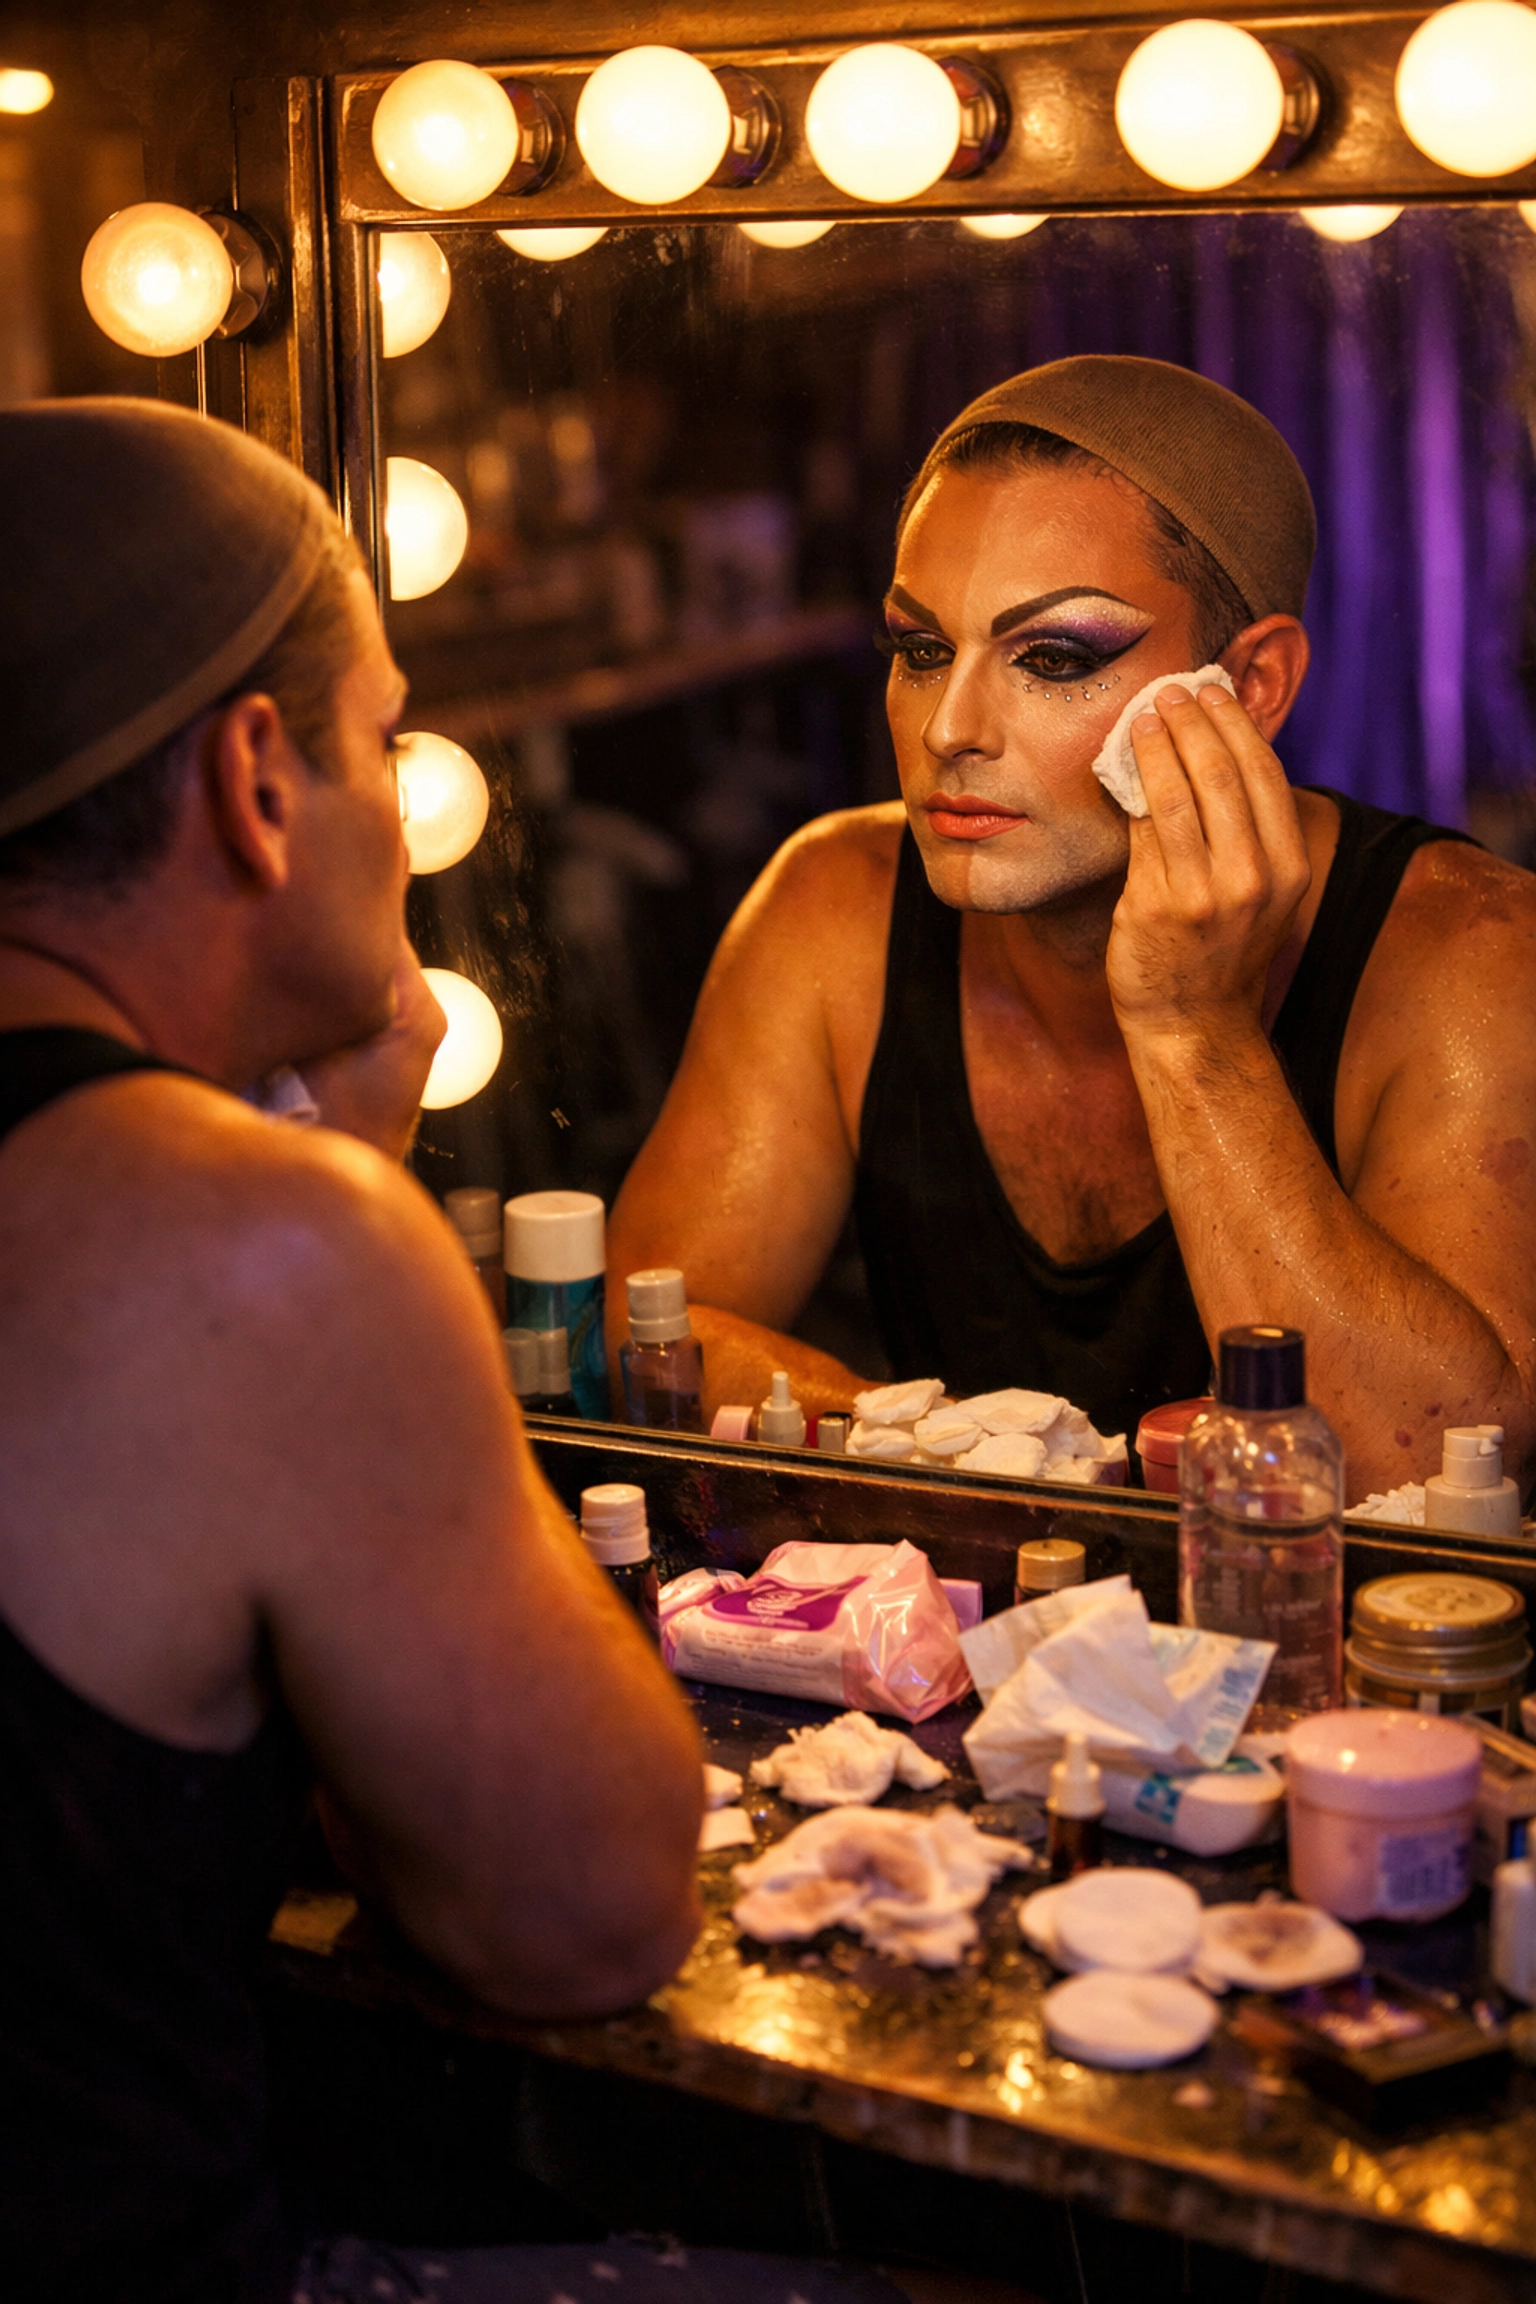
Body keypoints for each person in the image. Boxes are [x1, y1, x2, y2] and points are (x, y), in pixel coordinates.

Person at [0, 400, 925, 2304]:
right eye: (382, 736)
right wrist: (344, 1182)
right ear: (258, 780)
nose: (401, 798)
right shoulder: (255, 1241)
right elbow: (580, 1918)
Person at [610, 356, 1536, 1496]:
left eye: (1053, 659)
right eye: (920, 648)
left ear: (1251, 686)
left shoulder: (1468, 952)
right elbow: (649, 1323)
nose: (950, 727)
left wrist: (1193, 1028)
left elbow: (1429, 1466)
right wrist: (972, 1464)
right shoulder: (831, 905)